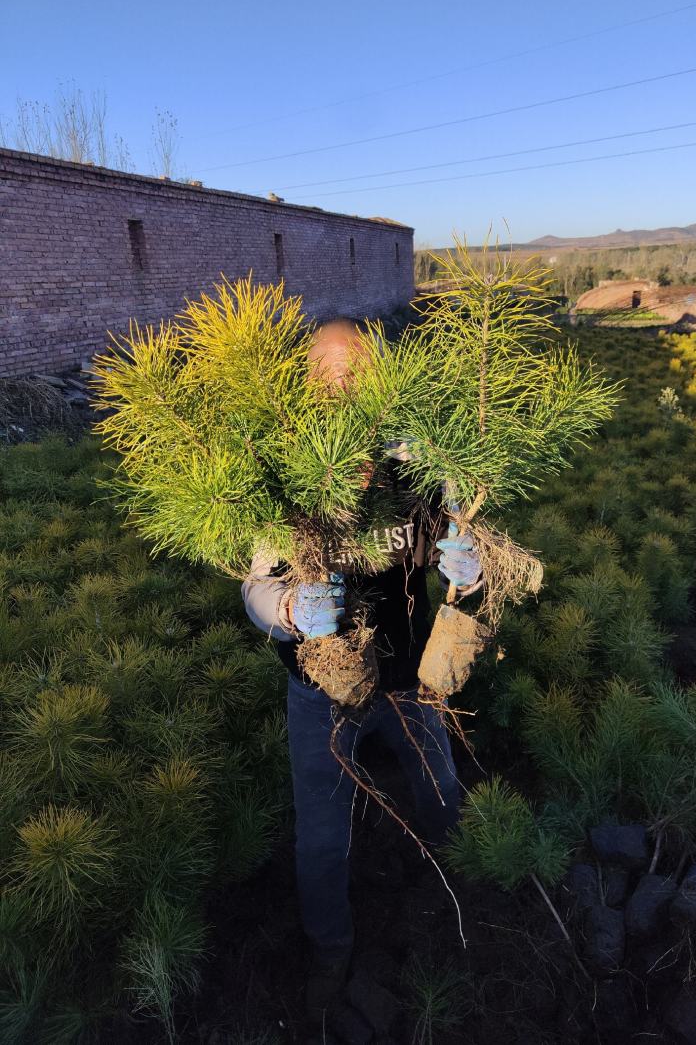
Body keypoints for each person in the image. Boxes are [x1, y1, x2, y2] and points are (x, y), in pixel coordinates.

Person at [240, 319, 483, 1021]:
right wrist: (287, 605)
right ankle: (330, 949)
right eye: (330, 375)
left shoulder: (412, 463)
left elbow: (457, 528)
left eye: (361, 374)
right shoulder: (283, 477)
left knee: (439, 787)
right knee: (321, 833)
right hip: (318, 689)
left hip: (407, 677)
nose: (345, 390)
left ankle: (462, 892)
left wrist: (470, 559)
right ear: (305, 384)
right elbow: (252, 585)